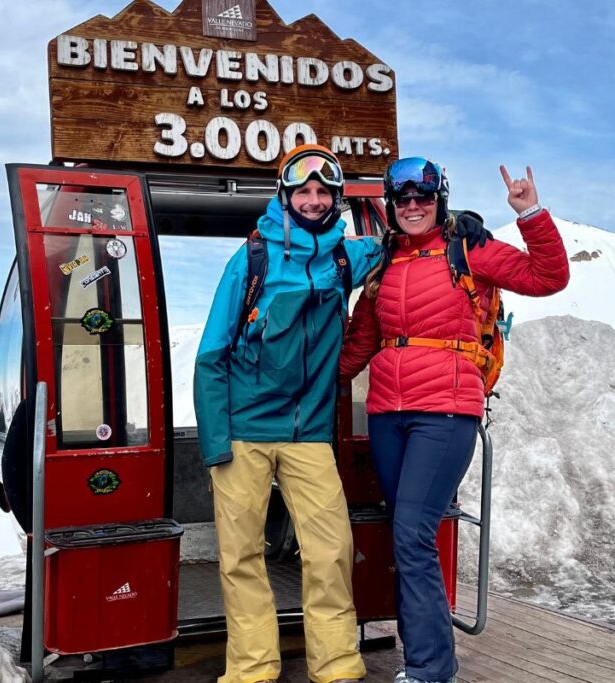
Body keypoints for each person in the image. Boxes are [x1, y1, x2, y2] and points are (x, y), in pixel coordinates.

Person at [339, 158, 570, 683]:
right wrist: (294, 386)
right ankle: (428, 660)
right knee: (408, 537)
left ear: (439, 199)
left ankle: (429, 669)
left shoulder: (468, 249)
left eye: (423, 196)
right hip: (387, 414)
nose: (413, 206)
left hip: (445, 410)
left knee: (412, 534)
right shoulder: (384, 263)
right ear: (392, 208)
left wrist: (529, 212)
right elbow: (359, 344)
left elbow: (549, 276)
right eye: (403, 199)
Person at [193, 144, 381, 683]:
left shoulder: (347, 256)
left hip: (309, 435)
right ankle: (252, 669)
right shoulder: (251, 258)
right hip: (244, 432)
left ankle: (338, 666)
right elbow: (211, 354)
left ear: (336, 199)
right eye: (304, 191)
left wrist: (455, 233)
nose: (314, 200)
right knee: (241, 556)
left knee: (330, 552)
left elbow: (399, 244)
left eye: (324, 192)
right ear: (286, 196)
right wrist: (215, 445)